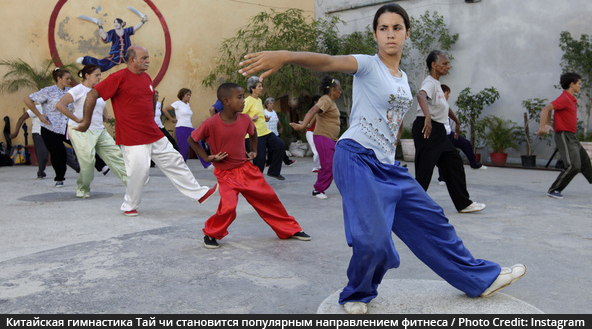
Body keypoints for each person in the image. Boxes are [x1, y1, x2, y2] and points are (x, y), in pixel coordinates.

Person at [238, 3, 525, 314]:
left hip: (387, 165)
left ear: (406, 34)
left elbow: (393, 120)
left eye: (397, 28)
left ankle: (480, 279)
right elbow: (328, 62)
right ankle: (357, 294)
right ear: (374, 34)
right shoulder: (367, 64)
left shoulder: (403, 79)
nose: (390, 34)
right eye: (384, 28)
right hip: (355, 158)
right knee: (373, 239)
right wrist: (287, 55)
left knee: (433, 221)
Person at [76, 45, 215, 216]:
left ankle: (199, 193)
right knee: (139, 172)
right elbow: (92, 95)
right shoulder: (118, 77)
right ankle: (129, 205)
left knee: (174, 160)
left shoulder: (146, 78)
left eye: (148, 57)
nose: (148, 61)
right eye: (144, 58)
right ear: (132, 59)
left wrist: (151, 118)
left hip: (152, 132)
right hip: (131, 135)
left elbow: (150, 99)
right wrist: (86, 121)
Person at [188, 82, 311, 249]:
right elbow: (192, 140)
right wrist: (208, 158)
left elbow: (253, 133)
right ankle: (211, 234)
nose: (243, 100)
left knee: (269, 199)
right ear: (226, 101)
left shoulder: (245, 119)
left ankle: (290, 230)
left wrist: (253, 151)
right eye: (239, 97)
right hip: (226, 174)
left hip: (246, 170)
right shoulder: (212, 123)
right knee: (228, 208)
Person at [414, 50, 486, 213]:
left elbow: (445, 107)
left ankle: (463, 203)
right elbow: (421, 95)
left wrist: (456, 120)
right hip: (427, 128)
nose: (448, 66)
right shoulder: (430, 83)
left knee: (454, 162)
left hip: (438, 130)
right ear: (434, 65)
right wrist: (427, 116)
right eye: (445, 63)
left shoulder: (437, 84)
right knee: (425, 169)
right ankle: (412, 204)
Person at [55, 64, 128, 198]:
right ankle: (83, 189)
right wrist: (76, 119)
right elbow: (60, 105)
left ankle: (132, 183)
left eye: (100, 75)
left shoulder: (98, 90)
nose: (100, 77)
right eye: (97, 75)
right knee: (88, 162)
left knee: (117, 155)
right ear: (87, 75)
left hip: (99, 129)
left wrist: (105, 115)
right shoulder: (78, 90)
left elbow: (100, 103)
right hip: (81, 130)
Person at [537, 72, 592, 199]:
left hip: (572, 136)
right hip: (564, 135)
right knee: (573, 165)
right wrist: (542, 128)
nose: (580, 86)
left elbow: (551, 110)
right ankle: (554, 189)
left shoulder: (571, 99)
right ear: (572, 84)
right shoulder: (564, 98)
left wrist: (548, 124)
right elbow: (546, 109)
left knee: (585, 162)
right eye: (579, 84)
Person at [24, 68, 80, 187]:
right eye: (67, 78)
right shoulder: (48, 91)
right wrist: (39, 115)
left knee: (81, 145)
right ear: (59, 79)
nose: (69, 81)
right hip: (50, 128)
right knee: (59, 153)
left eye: (70, 78)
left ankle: (98, 166)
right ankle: (59, 178)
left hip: (67, 127)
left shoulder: (71, 91)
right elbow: (28, 100)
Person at [290, 77, 341, 199]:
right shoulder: (326, 99)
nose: (341, 92)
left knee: (330, 164)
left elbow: (317, 115)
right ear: (332, 90)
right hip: (323, 137)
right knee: (329, 165)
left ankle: (320, 188)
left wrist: (307, 124)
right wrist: (303, 126)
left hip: (329, 138)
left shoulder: (330, 102)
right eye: (339, 89)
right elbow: (313, 110)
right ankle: (318, 190)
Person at [436, 84, 486, 185]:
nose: (448, 95)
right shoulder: (435, 105)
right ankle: (442, 178)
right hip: (441, 136)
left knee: (466, 143)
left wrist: (457, 122)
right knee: (442, 156)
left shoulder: (444, 105)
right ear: (441, 94)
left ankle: (474, 164)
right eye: (447, 93)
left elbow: (450, 114)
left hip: (449, 134)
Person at [242, 76, 286, 180]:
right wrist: (251, 119)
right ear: (252, 88)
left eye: (261, 86)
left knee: (280, 145)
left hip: (265, 131)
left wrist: (264, 119)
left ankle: (273, 172)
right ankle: (256, 180)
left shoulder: (259, 100)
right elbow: (239, 115)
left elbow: (259, 116)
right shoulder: (248, 101)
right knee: (260, 159)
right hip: (255, 135)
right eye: (259, 86)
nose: (262, 88)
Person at [77, 17, 148, 72]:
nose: (115, 24)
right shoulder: (113, 32)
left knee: (137, 65)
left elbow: (135, 27)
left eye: (117, 22)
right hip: (115, 57)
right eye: (114, 23)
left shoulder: (126, 31)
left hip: (127, 56)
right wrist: (100, 26)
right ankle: (85, 60)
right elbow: (105, 37)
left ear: (121, 24)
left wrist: (143, 21)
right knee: (102, 65)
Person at [10, 106, 49, 179]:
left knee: (62, 151)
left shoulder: (54, 107)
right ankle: (41, 171)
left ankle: (77, 168)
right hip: (38, 133)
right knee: (43, 156)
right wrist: (16, 132)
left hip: (51, 133)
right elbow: (21, 118)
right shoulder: (36, 108)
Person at [162, 88, 199, 164]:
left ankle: (207, 164)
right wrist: (171, 119)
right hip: (181, 127)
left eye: (190, 95)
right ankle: (181, 165)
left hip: (190, 127)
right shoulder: (178, 103)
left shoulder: (188, 105)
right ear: (182, 95)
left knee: (198, 143)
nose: (189, 97)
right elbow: (165, 109)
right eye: (187, 95)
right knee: (184, 149)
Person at [263, 97, 296, 167]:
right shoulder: (264, 112)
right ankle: (285, 161)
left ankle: (270, 162)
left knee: (278, 146)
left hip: (275, 133)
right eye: (270, 103)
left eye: (273, 103)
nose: (272, 105)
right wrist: (266, 120)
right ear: (267, 105)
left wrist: (281, 127)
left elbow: (277, 120)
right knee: (275, 148)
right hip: (268, 133)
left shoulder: (274, 112)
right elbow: (262, 122)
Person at [306, 95, 322, 173]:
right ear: (315, 102)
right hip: (311, 133)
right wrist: (302, 124)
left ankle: (319, 166)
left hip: (319, 133)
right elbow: (308, 124)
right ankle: (316, 167)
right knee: (316, 151)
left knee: (321, 150)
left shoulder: (322, 111)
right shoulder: (312, 111)